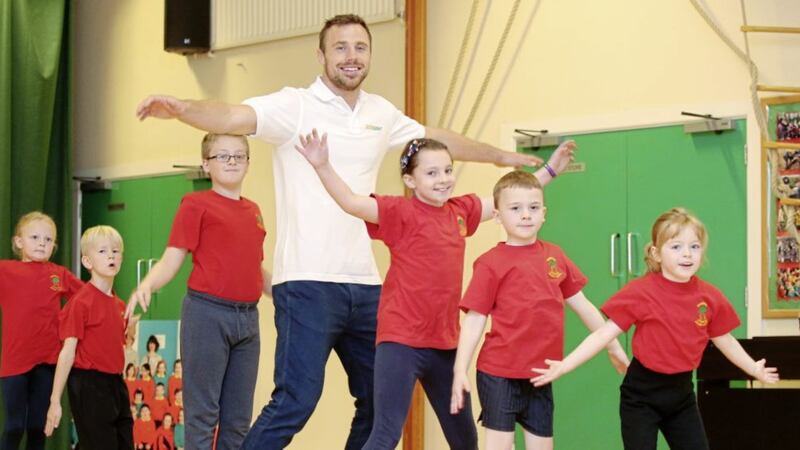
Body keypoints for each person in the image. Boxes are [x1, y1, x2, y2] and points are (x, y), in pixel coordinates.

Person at [135, 14, 574, 449]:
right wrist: (182, 110)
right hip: (307, 281)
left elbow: (435, 138)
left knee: (378, 402)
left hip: (365, 286)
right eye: (340, 47)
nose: (351, 56)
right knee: (296, 401)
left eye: (360, 47)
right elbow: (232, 116)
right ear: (321, 54)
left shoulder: (379, 113)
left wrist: (497, 157)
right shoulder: (295, 105)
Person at [296, 133, 574, 449]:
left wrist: (550, 171)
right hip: (401, 342)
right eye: (431, 173)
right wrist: (322, 166)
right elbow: (351, 202)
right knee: (386, 432)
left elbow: (509, 199)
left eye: (447, 170)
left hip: (444, 345)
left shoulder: (459, 211)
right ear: (409, 180)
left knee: (465, 438)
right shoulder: (399, 212)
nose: (443, 179)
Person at [531, 208, 780, 449]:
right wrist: (565, 365)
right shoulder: (641, 292)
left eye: (694, 247)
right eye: (676, 246)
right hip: (641, 396)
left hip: (682, 396)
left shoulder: (709, 297)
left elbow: (725, 340)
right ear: (656, 253)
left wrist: (752, 367)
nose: (687, 255)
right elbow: (602, 335)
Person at [449, 171, 628, 450]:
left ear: (544, 213)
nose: (525, 215)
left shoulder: (554, 256)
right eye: (515, 208)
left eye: (533, 208)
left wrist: (613, 346)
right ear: (497, 216)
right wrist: (460, 369)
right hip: (499, 373)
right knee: (500, 445)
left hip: (542, 374)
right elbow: (475, 320)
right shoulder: (490, 263)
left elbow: (584, 306)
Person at [127, 133, 271, 450]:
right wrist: (147, 284)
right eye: (223, 156)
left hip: (248, 319)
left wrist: (287, 293)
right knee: (203, 416)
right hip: (207, 314)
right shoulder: (195, 204)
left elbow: (254, 269)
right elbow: (172, 257)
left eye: (239, 155)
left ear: (248, 162)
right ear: (206, 164)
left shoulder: (254, 211)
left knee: (238, 421)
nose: (232, 161)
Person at [44, 225, 133, 449]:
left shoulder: (119, 304)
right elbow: (67, 352)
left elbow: (117, 346)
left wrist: (130, 332)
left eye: (115, 250)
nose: (111, 255)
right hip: (89, 384)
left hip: (116, 383)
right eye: (102, 251)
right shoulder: (81, 302)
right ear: (87, 262)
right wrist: (55, 400)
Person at [0, 212, 82, 450]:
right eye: (35, 237)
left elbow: (88, 299)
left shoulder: (59, 274)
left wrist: (119, 312)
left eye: (48, 240)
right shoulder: (6, 271)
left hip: (47, 362)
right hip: (14, 362)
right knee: (14, 426)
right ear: (19, 242)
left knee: (38, 427)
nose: (41, 243)